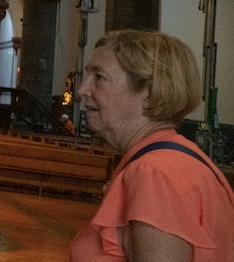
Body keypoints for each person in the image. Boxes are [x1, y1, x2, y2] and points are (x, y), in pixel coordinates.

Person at [70, 30, 234, 261]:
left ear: (149, 93)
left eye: (99, 77)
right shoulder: (173, 160)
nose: (82, 90)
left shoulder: (154, 174)